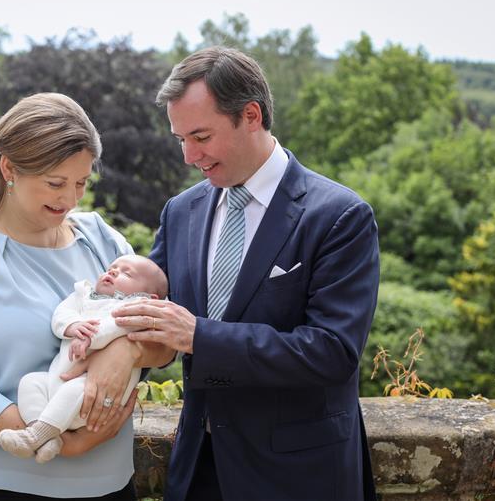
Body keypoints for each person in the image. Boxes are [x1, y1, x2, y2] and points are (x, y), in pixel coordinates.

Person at [113, 47, 380, 501]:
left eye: (200, 136)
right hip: (198, 471)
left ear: (251, 115)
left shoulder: (338, 215)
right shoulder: (181, 212)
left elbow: (333, 352)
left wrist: (201, 336)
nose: (188, 156)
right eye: (180, 139)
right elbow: (156, 323)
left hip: (300, 477)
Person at [0, 93, 171, 500]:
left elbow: (163, 340)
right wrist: (63, 443)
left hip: (109, 485)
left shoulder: (101, 238)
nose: (70, 199)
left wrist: (127, 353)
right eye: (55, 183)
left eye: (81, 183)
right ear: (9, 169)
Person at [0, 254, 168, 464]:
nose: (113, 271)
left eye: (126, 273)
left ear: (150, 297)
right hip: (56, 380)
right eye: (112, 267)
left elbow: (116, 326)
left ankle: (34, 437)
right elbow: (62, 313)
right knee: (31, 382)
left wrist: (90, 338)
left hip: (93, 396)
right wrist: (71, 325)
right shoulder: (85, 294)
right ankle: (45, 434)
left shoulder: (138, 309)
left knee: (75, 389)